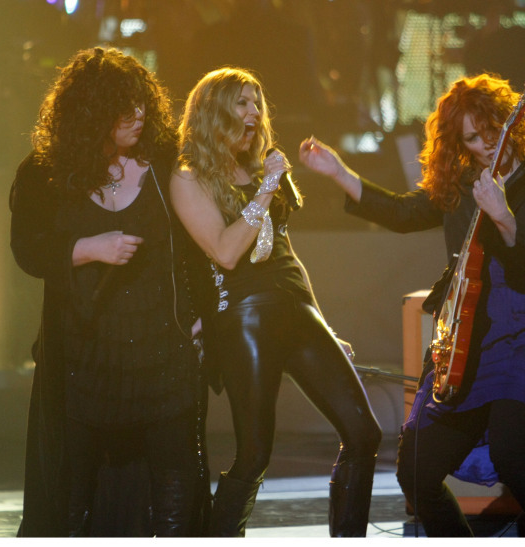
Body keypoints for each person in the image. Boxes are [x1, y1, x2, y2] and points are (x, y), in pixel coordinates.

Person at [299, 73, 525, 537]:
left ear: (512, 122)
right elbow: (402, 212)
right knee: (415, 469)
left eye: (492, 131)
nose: (485, 145)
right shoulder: (463, 183)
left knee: (516, 457)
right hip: (469, 337)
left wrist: (502, 215)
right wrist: (339, 173)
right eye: (473, 138)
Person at [169, 67, 382, 538]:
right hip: (245, 316)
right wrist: (266, 186)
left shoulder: (257, 164)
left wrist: (325, 326)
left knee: (365, 433)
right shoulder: (189, 176)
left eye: (256, 102)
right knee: (255, 453)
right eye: (242, 103)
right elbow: (225, 251)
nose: (253, 112)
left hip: (296, 308)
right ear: (215, 111)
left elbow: (286, 251)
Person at [9, 47, 211, 537]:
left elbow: (196, 248)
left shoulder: (164, 163)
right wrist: (88, 247)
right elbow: (27, 251)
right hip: (86, 349)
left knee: (176, 461)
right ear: (91, 113)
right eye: (124, 110)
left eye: (142, 105)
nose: (138, 118)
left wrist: (202, 314)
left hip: (163, 342)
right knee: (75, 474)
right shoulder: (45, 172)